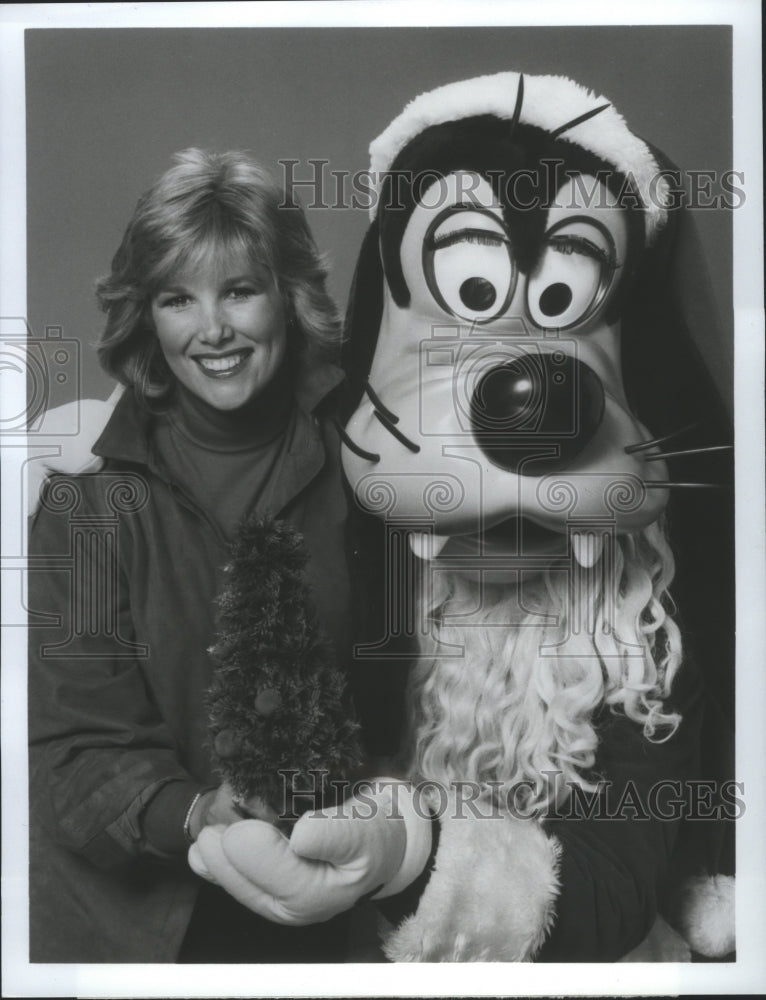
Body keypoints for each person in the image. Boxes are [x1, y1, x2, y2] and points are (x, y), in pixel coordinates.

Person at [26, 148, 426, 964]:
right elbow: (71, 751)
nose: (212, 330)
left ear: (290, 296)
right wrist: (194, 813)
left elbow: (408, 698)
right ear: (147, 314)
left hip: (326, 903)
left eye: (239, 290)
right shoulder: (89, 495)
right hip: (130, 933)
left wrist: (378, 823)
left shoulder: (366, 462)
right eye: (179, 298)